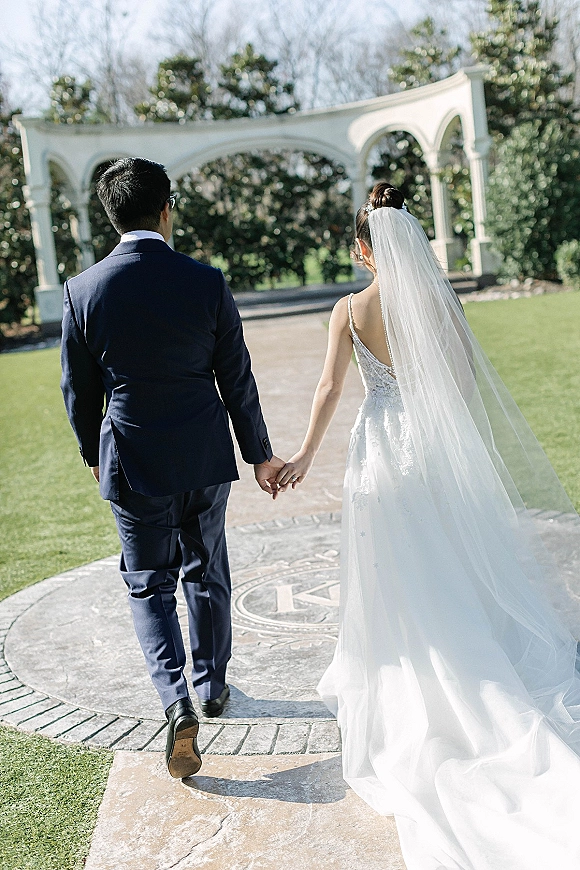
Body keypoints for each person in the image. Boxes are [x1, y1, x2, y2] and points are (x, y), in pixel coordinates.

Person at [276, 182, 580, 869]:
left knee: (397, 568)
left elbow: (328, 389)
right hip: (436, 446)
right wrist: (447, 433)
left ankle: (413, 665)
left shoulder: (351, 308)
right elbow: (465, 379)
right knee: (454, 558)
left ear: (363, 250)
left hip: (381, 450)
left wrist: (300, 457)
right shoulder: (444, 299)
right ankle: (475, 649)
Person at [60, 157, 284, 779]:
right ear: (166, 209)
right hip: (204, 454)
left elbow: (79, 395)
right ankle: (213, 687)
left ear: (111, 216)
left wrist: (94, 454)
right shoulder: (206, 281)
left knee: (146, 583)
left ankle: (175, 701)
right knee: (206, 569)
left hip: (131, 459)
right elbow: (236, 378)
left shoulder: (83, 291)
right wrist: (259, 453)